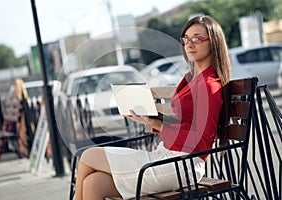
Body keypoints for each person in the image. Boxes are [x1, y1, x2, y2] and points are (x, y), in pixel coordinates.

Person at [74, 15, 231, 200]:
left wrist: (156, 124)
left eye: (197, 38)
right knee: (94, 183)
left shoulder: (209, 85)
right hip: (166, 155)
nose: (189, 43)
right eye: (186, 38)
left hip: (183, 164)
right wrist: (148, 118)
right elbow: (182, 121)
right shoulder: (191, 79)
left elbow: (201, 139)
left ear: (213, 42)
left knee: (88, 156)